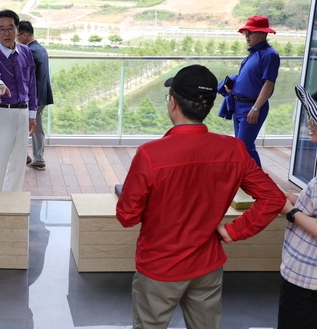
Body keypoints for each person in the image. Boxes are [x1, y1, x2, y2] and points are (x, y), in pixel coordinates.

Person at [116, 64, 286, 329]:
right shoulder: (234, 149)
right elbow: (274, 198)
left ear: (173, 103)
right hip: (207, 266)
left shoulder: (150, 154)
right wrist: (233, 231)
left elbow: (127, 217)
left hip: (159, 267)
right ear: (207, 106)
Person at [0, 10, 37, 191]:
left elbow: (32, 84)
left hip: (23, 113)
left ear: (17, 29)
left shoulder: (26, 52)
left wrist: (32, 114)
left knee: (19, 163)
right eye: (2, 29)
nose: (6, 33)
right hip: (2, 113)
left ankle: (11, 204)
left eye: (10, 28)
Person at [278, 84, 317, 328]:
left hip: (308, 282)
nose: (309, 122)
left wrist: (290, 211)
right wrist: (299, 198)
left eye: (314, 117)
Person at [220, 15, 280, 167]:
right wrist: (232, 84)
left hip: (251, 107)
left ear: (263, 33)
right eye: (246, 31)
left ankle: (259, 183)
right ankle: (250, 181)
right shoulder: (253, 53)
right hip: (239, 105)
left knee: (244, 147)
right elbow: (249, 78)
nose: (247, 35)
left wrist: (255, 108)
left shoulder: (270, 54)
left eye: (251, 32)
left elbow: (269, 84)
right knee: (245, 147)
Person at [17, 21, 53, 171]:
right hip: (43, 96)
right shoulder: (41, 49)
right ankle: (37, 159)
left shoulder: (29, 52)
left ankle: (28, 157)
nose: (15, 39)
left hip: (34, 98)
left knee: (22, 126)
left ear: (25, 35)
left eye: (17, 35)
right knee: (36, 128)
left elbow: (25, 78)